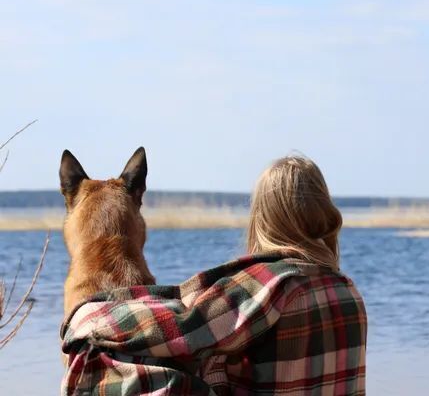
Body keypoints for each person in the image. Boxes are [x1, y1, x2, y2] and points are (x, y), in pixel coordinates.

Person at [62, 155, 367, 395]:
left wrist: (84, 318)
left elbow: (180, 330)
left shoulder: (267, 284)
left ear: (261, 217)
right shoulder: (347, 290)